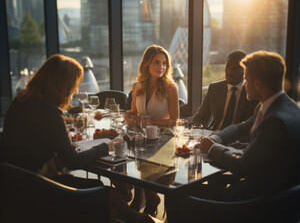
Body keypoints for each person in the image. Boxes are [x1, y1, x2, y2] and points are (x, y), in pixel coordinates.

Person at [0, 54, 160, 223]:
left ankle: (135, 218)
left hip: (15, 186)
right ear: (60, 85)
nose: (75, 90)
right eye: (73, 85)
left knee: (112, 208)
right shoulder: (50, 114)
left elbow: (37, 134)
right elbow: (73, 162)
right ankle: (141, 220)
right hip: (41, 190)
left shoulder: (21, 101)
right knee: (111, 195)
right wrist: (108, 145)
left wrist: (64, 124)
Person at [166, 51, 300, 222]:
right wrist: (216, 138)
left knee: (173, 193)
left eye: (247, 79)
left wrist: (213, 148)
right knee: (181, 188)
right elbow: (242, 127)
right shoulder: (284, 107)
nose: (245, 84)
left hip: (253, 206)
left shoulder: (274, 122)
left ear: (257, 83)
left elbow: (242, 166)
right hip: (271, 197)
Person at [125, 44, 179, 216]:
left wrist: (145, 121)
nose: (161, 67)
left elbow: (174, 121)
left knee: (145, 159)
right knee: (120, 154)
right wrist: (130, 116)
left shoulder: (171, 87)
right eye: (156, 62)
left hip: (163, 141)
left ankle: (147, 199)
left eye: (164, 63)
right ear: (146, 64)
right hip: (140, 138)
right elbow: (134, 114)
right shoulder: (136, 87)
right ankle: (141, 196)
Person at [193, 50, 258, 130]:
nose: (229, 72)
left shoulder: (252, 93)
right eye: (228, 67)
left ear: (245, 70)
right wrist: (206, 132)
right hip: (213, 135)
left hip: (236, 139)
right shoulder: (214, 88)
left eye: (235, 68)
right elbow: (199, 118)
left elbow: (251, 128)